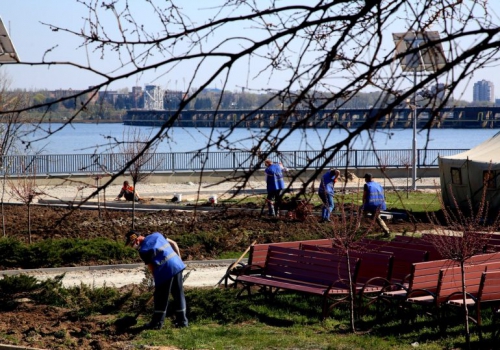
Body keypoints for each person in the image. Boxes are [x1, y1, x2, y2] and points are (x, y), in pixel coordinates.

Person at [125, 230, 188, 329]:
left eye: (131, 244)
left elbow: (152, 268)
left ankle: (157, 324)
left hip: (165, 271)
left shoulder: (143, 251)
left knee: (160, 298)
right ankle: (182, 322)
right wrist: (178, 260)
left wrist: (158, 285)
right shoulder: (157, 234)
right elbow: (174, 243)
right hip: (177, 265)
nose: (132, 247)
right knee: (178, 294)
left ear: (136, 240)